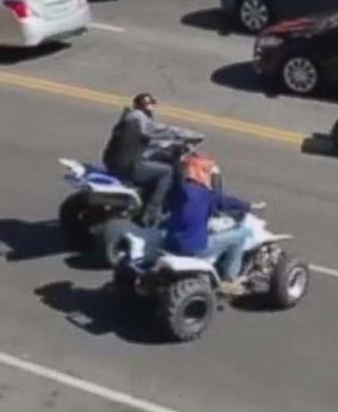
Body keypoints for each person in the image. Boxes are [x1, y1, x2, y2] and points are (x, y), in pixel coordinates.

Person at [163, 154, 252, 295]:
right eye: (208, 172)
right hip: (194, 247)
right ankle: (229, 279)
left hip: (170, 242)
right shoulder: (205, 195)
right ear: (202, 173)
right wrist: (248, 206)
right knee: (242, 235)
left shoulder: (178, 192)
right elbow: (224, 201)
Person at [103, 93, 175, 227]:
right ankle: (150, 214)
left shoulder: (128, 117)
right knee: (167, 171)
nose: (153, 108)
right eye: (151, 105)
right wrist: (187, 138)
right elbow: (159, 133)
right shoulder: (141, 121)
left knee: (153, 162)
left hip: (112, 161)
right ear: (148, 107)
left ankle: (144, 197)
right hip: (128, 166)